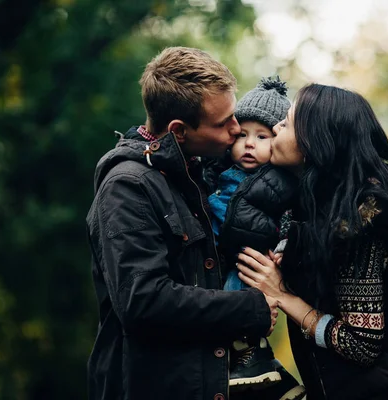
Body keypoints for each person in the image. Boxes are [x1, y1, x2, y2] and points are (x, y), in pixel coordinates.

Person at [85, 47, 279, 400]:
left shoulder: (198, 174)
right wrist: (249, 308)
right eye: (223, 124)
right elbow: (142, 301)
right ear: (178, 131)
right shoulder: (127, 187)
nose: (236, 131)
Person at [236, 84, 388, 400]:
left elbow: (360, 344)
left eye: (287, 123)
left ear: (312, 144)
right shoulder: (322, 202)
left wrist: (282, 295)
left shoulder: (359, 224)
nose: (276, 128)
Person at [205, 77, 305, 400]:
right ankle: (243, 361)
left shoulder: (276, 180)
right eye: (243, 135)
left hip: (252, 259)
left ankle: (249, 358)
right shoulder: (220, 172)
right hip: (226, 258)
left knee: (239, 291)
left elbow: (288, 220)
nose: (250, 144)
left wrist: (280, 247)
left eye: (262, 137)